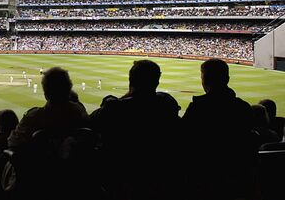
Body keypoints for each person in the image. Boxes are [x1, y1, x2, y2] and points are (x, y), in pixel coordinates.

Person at [94, 60, 182, 199]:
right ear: (157, 82)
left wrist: (112, 101)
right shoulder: (167, 104)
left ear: (131, 80)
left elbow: (91, 124)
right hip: (159, 178)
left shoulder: (115, 108)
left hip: (122, 179)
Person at [182, 58, 255, 200]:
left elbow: (184, 139)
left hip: (203, 179)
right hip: (236, 179)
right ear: (227, 79)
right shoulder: (243, 108)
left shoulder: (198, 108)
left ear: (204, 79)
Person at [8, 67, 89, 148]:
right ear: (69, 90)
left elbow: (13, 144)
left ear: (46, 94)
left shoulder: (33, 117)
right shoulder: (80, 113)